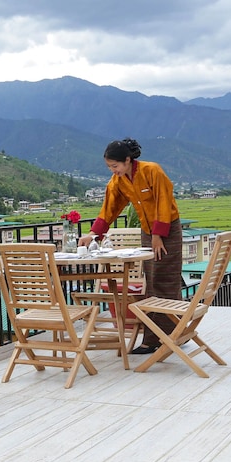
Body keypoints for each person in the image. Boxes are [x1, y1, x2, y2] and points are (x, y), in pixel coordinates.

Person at [79, 138, 182, 354]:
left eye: (115, 165)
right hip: (148, 232)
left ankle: (171, 337)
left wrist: (158, 235)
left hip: (167, 231)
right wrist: (93, 234)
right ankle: (156, 338)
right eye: (109, 167)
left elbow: (164, 201)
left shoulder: (152, 171)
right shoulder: (118, 181)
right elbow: (109, 208)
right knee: (151, 283)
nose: (113, 170)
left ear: (128, 160)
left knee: (166, 282)